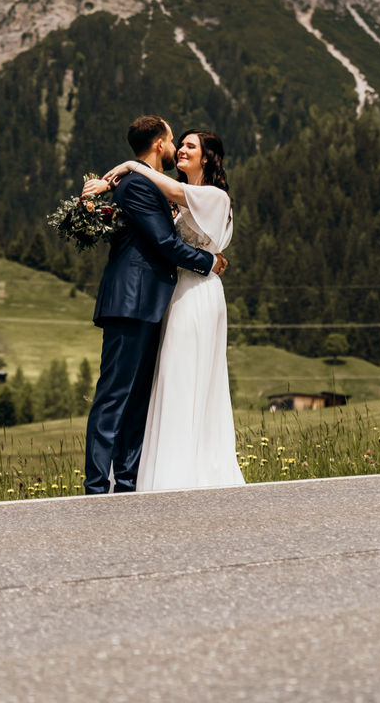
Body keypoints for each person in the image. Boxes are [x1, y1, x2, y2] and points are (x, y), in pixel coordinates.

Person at [88, 126, 245, 493]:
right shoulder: (171, 197)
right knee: (166, 381)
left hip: (196, 294)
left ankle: (176, 470)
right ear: (160, 144)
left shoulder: (212, 196)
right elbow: (160, 232)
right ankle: (136, 476)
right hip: (169, 297)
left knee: (184, 379)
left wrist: (131, 165)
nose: (182, 149)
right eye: (179, 142)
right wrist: (108, 192)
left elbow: (170, 211)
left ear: (207, 158)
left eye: (191, 146)